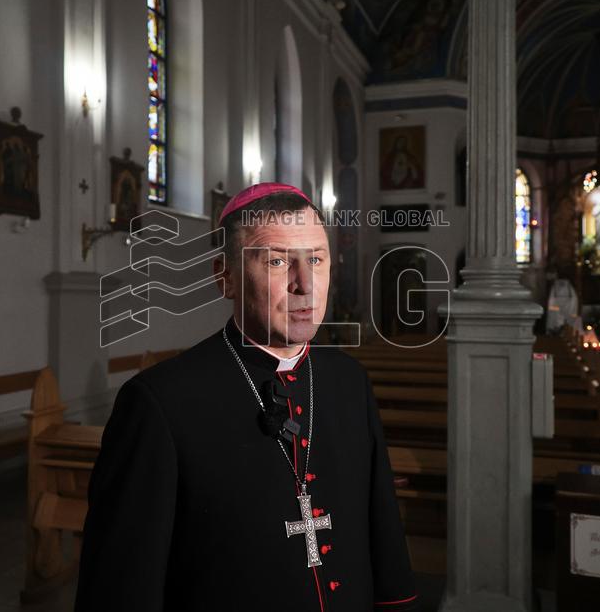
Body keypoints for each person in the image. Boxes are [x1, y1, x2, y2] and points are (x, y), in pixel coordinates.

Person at [75, 182, 418, 611]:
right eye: (277, 261)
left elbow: (382, 527)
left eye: (316, 259)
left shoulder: (350, 381)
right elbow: (121, 585)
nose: (304, 284)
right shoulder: (159, 404)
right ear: (226, 277)